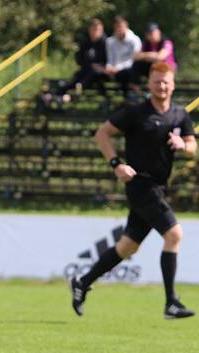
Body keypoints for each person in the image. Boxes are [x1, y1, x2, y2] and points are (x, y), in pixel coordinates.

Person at [71, 62, 196, 320]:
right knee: (174, 234)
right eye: (157, 81)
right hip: (140, 185)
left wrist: (181, 145)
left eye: (166, 81)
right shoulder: (135, 112)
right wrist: (117, 165)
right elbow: (102, 134)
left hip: (160, 188)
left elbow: (193, 145)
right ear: (149, 84)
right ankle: (171, 302)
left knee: (128, 247)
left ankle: (82, 282)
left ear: (172, 85)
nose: (161, 86)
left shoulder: (179, 115)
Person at [57, 18, 108, 100]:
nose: (96, 32)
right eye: (94, 29)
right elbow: (79, 59)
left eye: (98, 30)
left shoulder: (106, 43)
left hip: (100, 73)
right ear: (90, 30)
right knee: (73, 80)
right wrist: (88, 64)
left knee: (93, 75)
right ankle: (57, 96)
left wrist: (100, 65)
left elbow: (110, 60)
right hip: (86, 69)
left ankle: (75, 93)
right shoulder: (85, 42)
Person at [104, 16, 142, 94]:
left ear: (126, 26)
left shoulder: (135, 40)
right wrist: (109, 67)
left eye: (121, 26)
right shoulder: (110, 41)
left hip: (131, 70)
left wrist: (117, 68)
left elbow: (134, 59)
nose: (119, 29)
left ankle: (131, 96)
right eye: (117, 27)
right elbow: (110, 59)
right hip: (115, 70)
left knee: (127, 73)